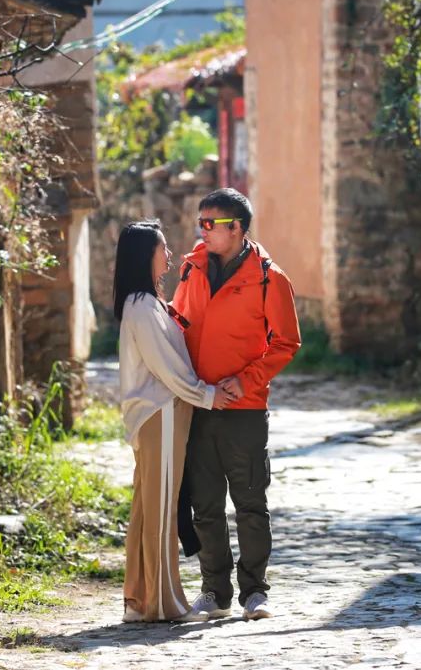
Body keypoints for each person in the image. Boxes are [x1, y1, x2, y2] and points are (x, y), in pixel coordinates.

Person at [171, 188, 302, 621]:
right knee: (205, 505)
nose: (204, 231)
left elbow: (286, 342)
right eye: (201, 223)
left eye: (212, 224)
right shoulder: (191, 269)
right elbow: (177, 324)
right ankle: (214, 590)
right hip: (197, 403)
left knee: (249, 503)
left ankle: (255, 591)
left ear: (238, 228)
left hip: (244, 407)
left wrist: (245, 381)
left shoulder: (269, 277)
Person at [113, 220, 236, 623]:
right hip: (160, 414)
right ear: (144, 254)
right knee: (161, 509)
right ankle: (165, 603)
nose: (168, 255)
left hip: (159, 414)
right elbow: (166, 367)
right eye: (162, 248)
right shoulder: (142, 307)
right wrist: (207, 395)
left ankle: (139, 600)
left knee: (147, 508)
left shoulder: (146, 303)